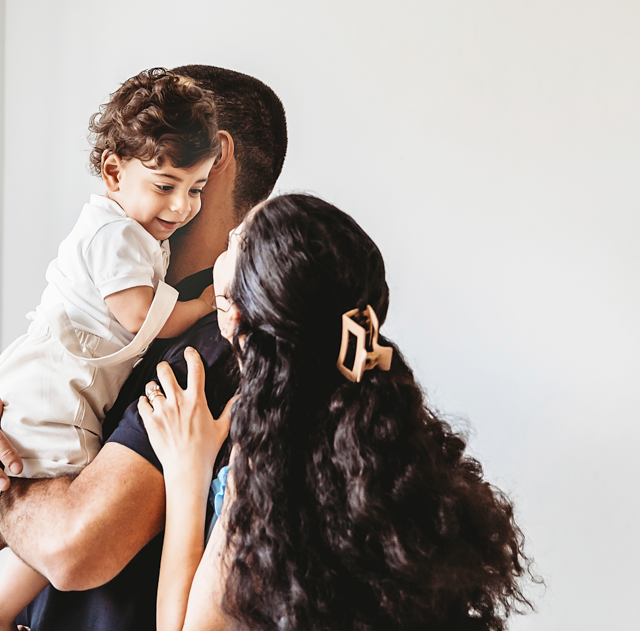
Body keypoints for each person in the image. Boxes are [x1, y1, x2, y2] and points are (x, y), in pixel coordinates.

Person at [0, 65, 289, 630]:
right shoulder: (127, 302)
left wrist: (5, 478)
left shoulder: (216, 348)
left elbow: (73, 549)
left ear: (215, 156)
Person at [138, 193, 535, 630]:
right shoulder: (400, 444)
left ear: (234, 320)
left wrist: (185, 473)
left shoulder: (262, 472)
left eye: (237, 240)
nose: (228, 236)